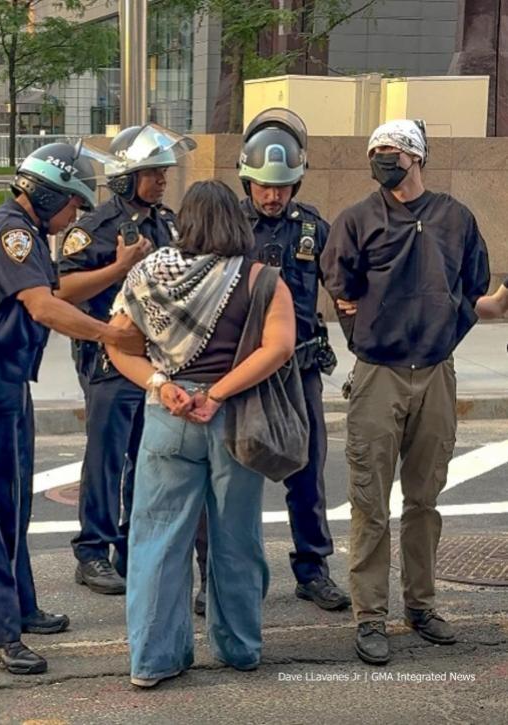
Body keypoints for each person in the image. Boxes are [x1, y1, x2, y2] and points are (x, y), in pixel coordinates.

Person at [0, 142, 143, 675]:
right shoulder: (9, 232)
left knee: (14, 505)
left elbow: (58, 289)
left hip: (7, 379)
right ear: (46, 195)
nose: (76, 213)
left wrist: (119, 268)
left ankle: (22, 607)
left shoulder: (26, 234)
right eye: (71, 203)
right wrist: (109, 336)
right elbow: (43, 305)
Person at [106, 179, 296, 688]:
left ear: (184, 222)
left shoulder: (150, 273)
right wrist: (217, 394)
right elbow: (278, 348)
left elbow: (118, 345)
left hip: (168, 415)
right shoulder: (262, 278)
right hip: (232, 418)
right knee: (235, 537)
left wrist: (161, 383)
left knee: (157, 540)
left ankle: (152, 659)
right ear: (235, 221)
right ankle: (239, 648)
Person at [320, 119, 490, 665]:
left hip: (436, 371)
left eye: (390, 150)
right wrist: (367, 329)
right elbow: (339, 285)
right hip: (379, 374)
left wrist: (448, 324)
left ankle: (422, 604)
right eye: (375, 151)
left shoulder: (455, 218)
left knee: (425, 498)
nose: (381, 158)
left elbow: (475, 283)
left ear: (416, 156)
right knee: (370, 501)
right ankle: (370, 615)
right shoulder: (357, 219)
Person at [192, 109, 350, 617]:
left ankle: (313, 569)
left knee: (307, 472)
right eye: (263, 185)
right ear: (246, 180)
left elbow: (344, 293)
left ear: (297, 182)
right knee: (225, 476)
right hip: (238, 371)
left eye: (282, 186)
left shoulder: (313, 229)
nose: (273, 195)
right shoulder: (227, 228)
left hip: (298, 368)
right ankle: (213, 574)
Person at [57, 124, 196, 595]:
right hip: (107, 357)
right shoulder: (93, 228)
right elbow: (62, 291)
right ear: (124, 176)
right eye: (152, 173)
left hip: (155, 359)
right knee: (106, 457)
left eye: (163, 173)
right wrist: (117, 267)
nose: (161, 181)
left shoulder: (167, 222)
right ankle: (92, 550)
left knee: (148, 456)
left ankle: (132, 547)